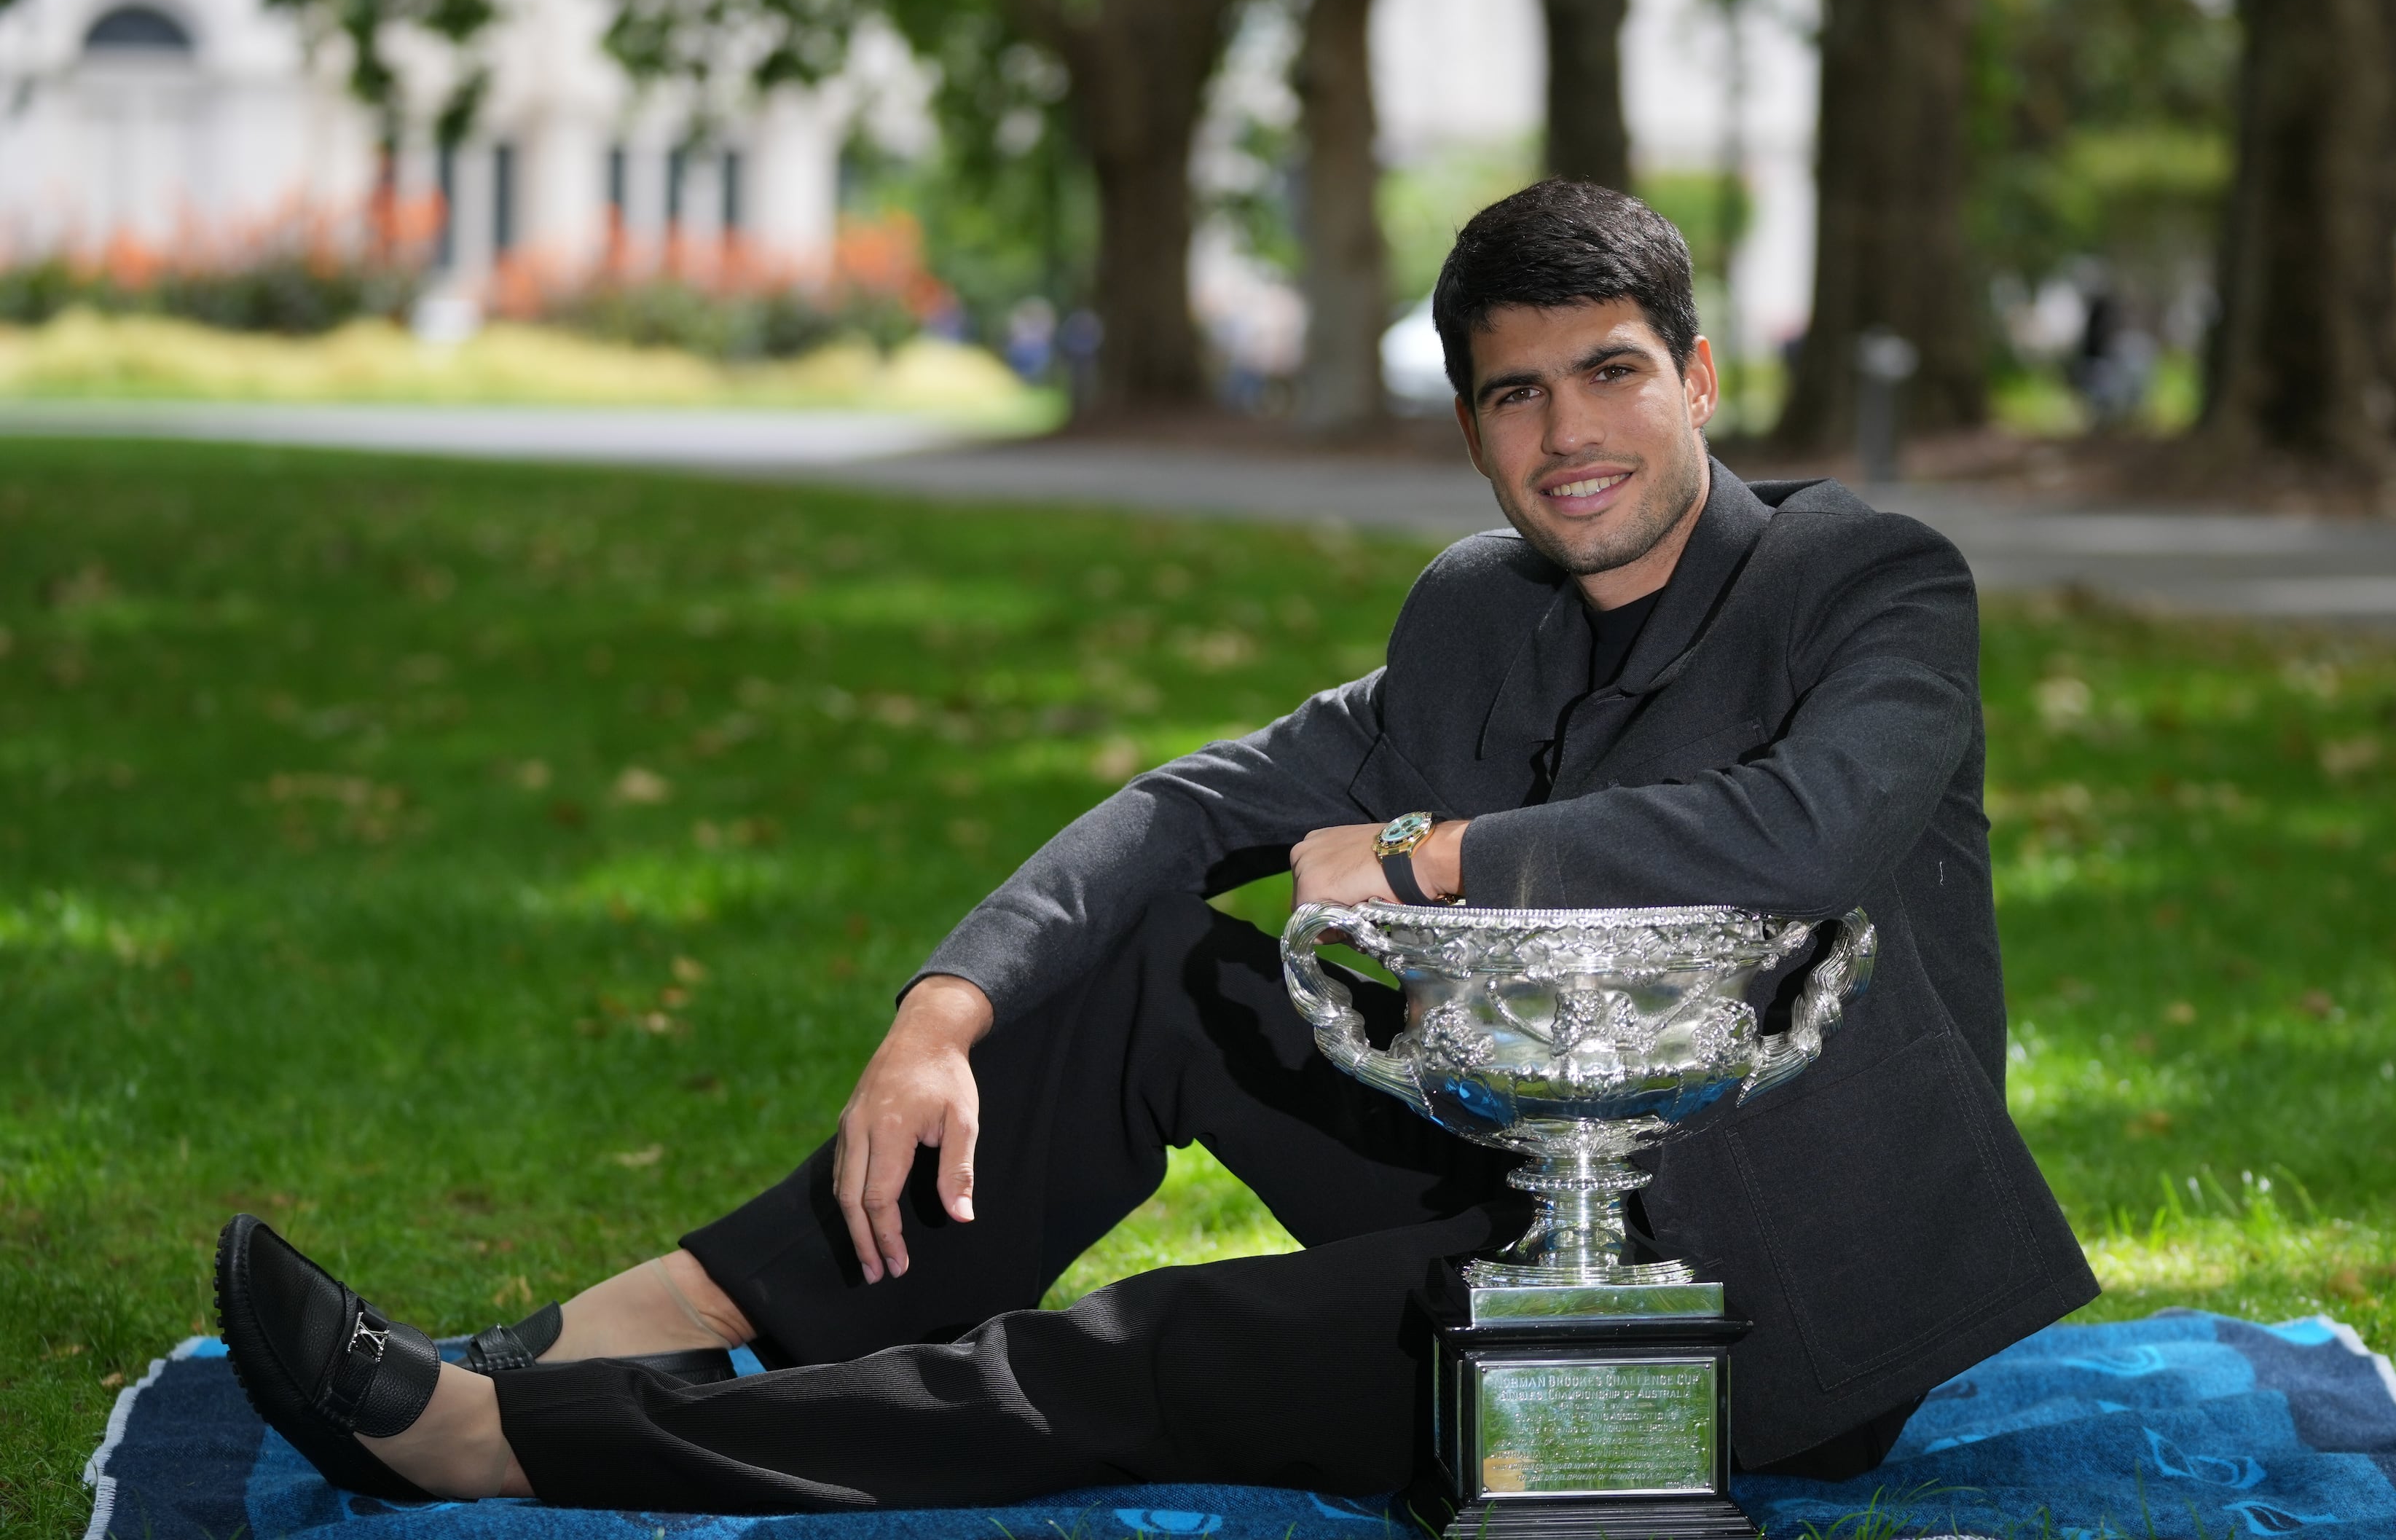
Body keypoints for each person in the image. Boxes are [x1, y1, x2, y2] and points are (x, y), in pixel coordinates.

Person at [213, 181, 2097, 1514]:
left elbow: (1809, 830)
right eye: (1513, 393)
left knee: (1155, 1353)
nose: (1566, 431)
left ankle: (504, 1448)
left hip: (1796, 1300)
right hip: (1521, 1177)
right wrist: (946, 1008)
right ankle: (652, 1325)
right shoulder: (1482, 613)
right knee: (1138, 973)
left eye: (1611, 371)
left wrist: (1433, 854)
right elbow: (1198, 805)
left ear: (1699, 379)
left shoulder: (1867, 578)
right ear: (1470, 426)